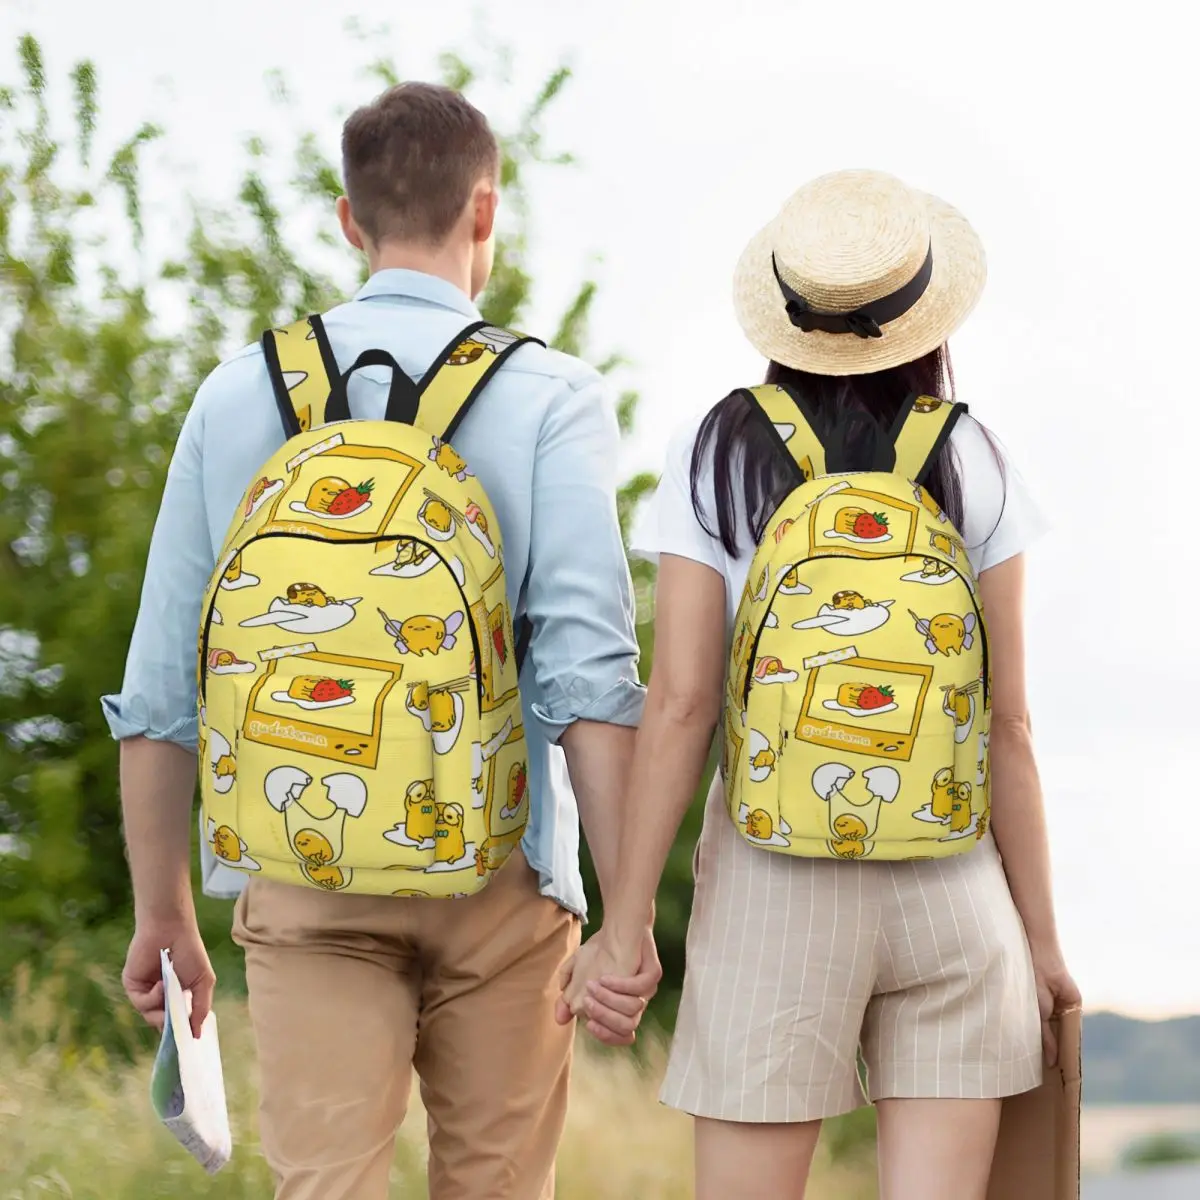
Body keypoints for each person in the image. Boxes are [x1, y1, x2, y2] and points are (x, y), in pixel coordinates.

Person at [104, 81, 661, 1200]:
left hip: (300, 869)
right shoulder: (551, 395)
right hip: (502, 874)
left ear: (349, 220)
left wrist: (163, 911)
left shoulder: (236, 394)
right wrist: (627, 916)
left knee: (325, 1186)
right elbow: (589, 680)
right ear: (485, 213)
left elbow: (164, 684)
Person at [560, 169, 1081, 1200]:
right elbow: (1009, 725)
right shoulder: (974, 456)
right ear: (925, 314)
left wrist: (623, 928)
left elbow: (681, 704)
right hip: (953, 882)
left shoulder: (717, 451)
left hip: (773, 881)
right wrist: (1043, 944)